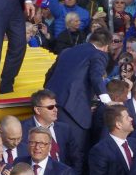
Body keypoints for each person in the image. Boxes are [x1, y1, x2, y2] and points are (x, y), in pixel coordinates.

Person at [44, 28, 112, 167]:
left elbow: (49, 75)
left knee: (55, 150)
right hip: (74, 111)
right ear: (106, 46)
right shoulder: (99, 54)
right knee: (76, 155)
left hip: (50, 104)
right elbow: (96, 77)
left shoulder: (68, 51)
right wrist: (107, 101)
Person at [87, 104, 135, 175]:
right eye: (127, 117)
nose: (131, 119)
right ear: (118, 124)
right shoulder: (100, 150)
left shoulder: (135, 144)